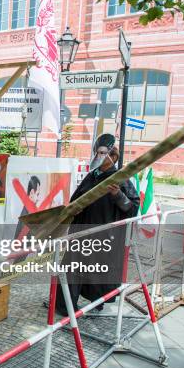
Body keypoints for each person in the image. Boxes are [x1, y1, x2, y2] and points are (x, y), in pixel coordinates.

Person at [55, 134, 139, 316]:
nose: (99, 156)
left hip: (103, 232)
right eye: (97, 152)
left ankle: (96, 304)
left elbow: (133, 207)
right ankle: (64, 306)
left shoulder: (120, 178)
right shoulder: (92, 175)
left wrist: (118, 196)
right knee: (71, 269)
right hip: (82, 230)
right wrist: (73, 209)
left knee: (96, 272)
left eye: (103, 153)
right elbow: (77, 198)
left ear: (113, 156)